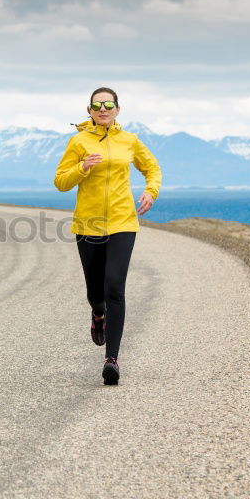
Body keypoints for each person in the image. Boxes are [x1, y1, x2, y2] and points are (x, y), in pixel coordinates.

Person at [53, 87, 161, 385]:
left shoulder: (129, 141)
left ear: (117, 109)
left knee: (115, 287)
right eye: (97, 105)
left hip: (123, 222)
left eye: (108, 104)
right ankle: (97, 313)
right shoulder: (78, 142)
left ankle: (111, 359)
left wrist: (151, 191)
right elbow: (61, 182)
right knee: (95, 293)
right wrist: (82, 168)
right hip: (88, 225)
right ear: (89, 110)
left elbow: (151, 167)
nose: (103, 109)